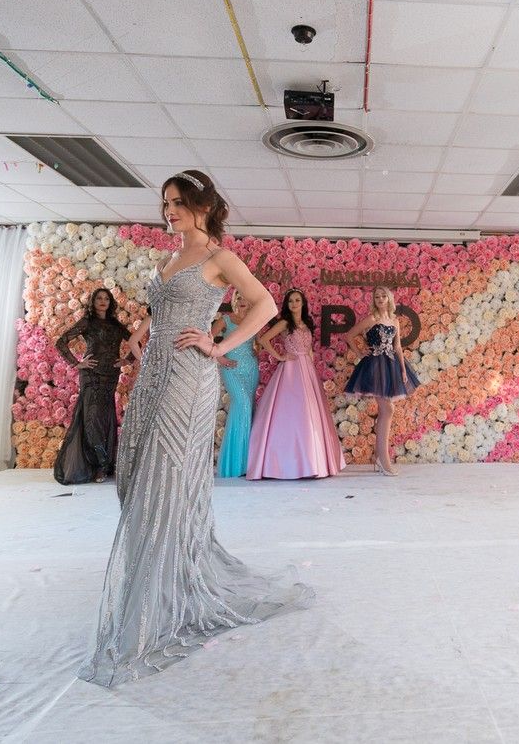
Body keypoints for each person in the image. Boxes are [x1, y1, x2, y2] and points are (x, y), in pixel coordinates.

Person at [78, 170, 310, 687]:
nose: (170, 211)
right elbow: (161, 312)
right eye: (166, 203)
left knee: (165, 480)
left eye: (179, 202)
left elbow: (266, 305)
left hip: (189, 378)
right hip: (152, 377)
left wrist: (219, 345)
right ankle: (161, 577)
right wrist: (140, 336)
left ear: (204, 207)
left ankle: (160, 599)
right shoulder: (168, 260)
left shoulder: (218, 258)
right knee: (132, 475)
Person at [246, 289, 344, 480]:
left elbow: (309, 349)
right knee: (292, 412)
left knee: (311, 413)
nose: (294, 304)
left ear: (303, 303)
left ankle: (313, 462)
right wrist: (279, 356)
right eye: (290, 301)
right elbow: (263, 339)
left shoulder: (307, 323)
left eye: (297, 300)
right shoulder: (285, 323)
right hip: (291, 371)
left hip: (307, 370)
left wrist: (310, 363)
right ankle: (289, 463)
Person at [53, 287, 130, 485]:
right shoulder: (87, 322)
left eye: (106, 298)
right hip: (91, 375)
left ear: (110, 302)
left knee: (104, 418)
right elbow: (61, 342)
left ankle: (104, 465)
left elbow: (135, 342)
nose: (103, 301)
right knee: (92, 419)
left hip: (110, 376)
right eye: (99, 298)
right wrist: (77, 363)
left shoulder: (116, 324)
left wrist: (127, 360)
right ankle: (100, 463)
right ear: (93, 302)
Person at [343, 286, 421, 477]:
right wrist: (359, 353)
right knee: (388, 409)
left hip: (391, 365)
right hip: (374, 366)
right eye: (376, 296)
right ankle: (383, 460)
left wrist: (403, 369)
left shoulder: (394, 320)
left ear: (389, 299)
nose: (380, 299)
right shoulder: (372, 319)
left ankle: (380, 458)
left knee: (386, 410)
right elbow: (349, 336)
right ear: (374, 300)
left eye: (383, 296)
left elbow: (398, 347)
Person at [212, 292, 260, 478]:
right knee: (242, 404)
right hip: (230, 369)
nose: (242, 301)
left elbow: (257, 344)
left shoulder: (254, 320)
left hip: (251, 369)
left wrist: (256, 350)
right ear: (234, 301)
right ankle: (233, 464)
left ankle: (248, 464)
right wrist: (221, 358)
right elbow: (207, 340)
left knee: (249, 409)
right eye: (238, 297)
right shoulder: (225, 320)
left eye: (245, 297)